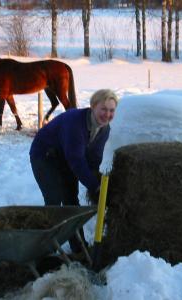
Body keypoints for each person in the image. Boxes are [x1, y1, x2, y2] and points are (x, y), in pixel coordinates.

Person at [29, 89, 118, 254]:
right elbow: (76, 159)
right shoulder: (75, 122)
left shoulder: (104, 129)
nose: (107, 114)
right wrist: (94, 186)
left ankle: (78, 247)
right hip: (45, 156)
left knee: (71, 201)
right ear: (93, 107)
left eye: (111, 110)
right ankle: (42, 247)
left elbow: (93, 158)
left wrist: (101, 182)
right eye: (103, 109)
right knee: (54, 200)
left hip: (65, 158)